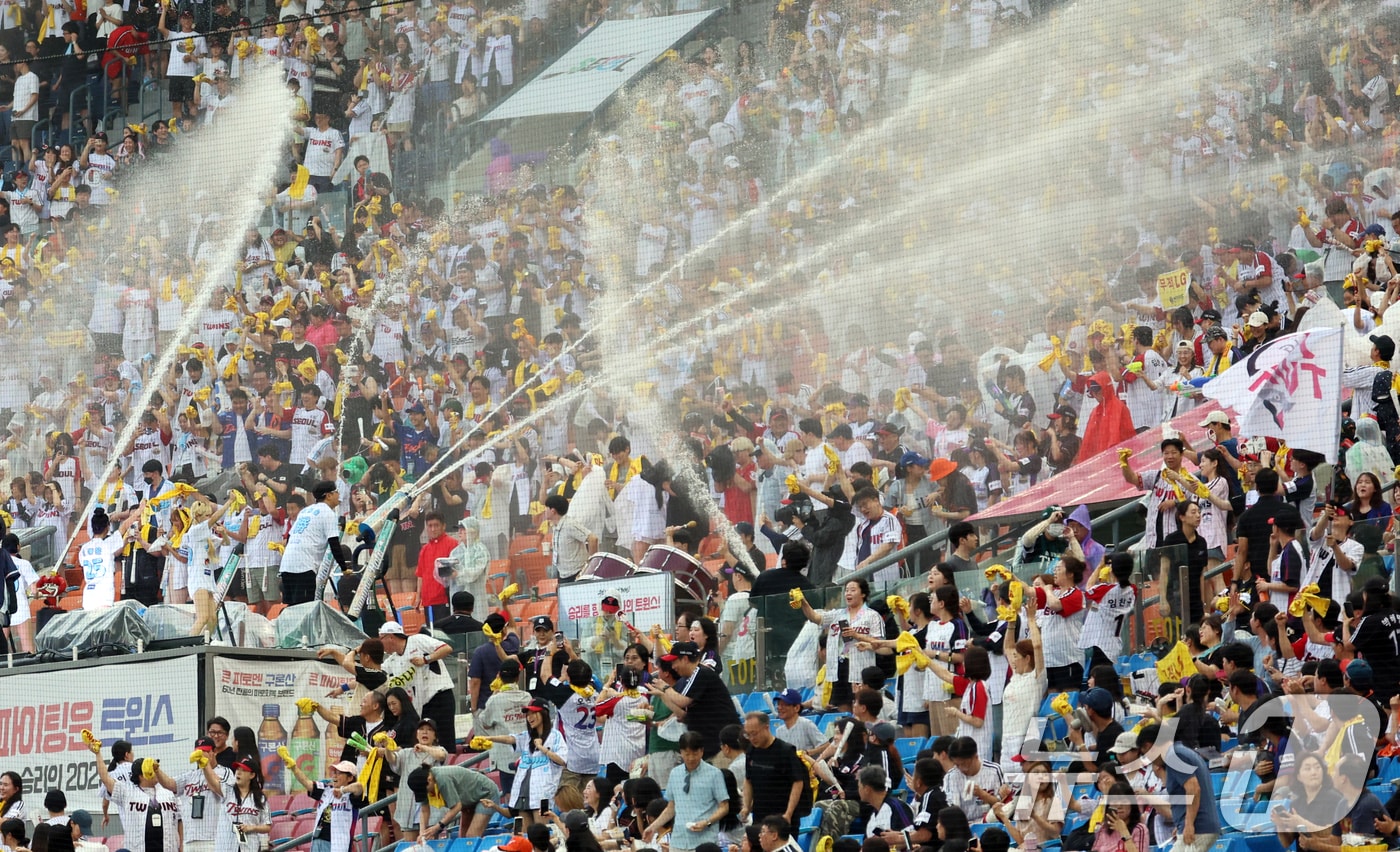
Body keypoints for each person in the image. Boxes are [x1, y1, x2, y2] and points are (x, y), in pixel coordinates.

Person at [795, 579, 886, 710]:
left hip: (861, 669)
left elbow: (880, 644)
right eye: (847, 590)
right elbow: (815, 617)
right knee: (842, 710)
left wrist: (857, 635)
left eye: (853, 590)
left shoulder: (872, 616)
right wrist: (803, 602)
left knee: (860, 708)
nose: (848, 593)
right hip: (839, 669)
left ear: (863, 594)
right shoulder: (837, 614)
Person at [650, 641, 739, 758]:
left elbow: (682, 701)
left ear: (685, 659)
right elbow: (683, 714)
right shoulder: (689, 679)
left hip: (722, 745)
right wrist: (662, 695)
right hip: (709, 744)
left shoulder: (700, 672)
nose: (673, 667)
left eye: (675, 662)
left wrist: (665, 688)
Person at [645, 732, 729, 852]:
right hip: (678, 840)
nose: (691, 758)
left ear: (702, 751)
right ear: (681, 752)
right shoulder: (675, 773)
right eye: (687, 753)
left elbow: (724, 807)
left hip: (703, 842)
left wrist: (707, 822)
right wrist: (653, 827)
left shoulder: (714, 774)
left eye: (695, 753)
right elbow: (671, 807)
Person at [378, 621, 457, 747]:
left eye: (381, 638)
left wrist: (426, 659)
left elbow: (447, 648)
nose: (380, 643)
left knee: (445, 740)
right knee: (425, 743)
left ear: (390, 637)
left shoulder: (417, 640)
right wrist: (343, 688)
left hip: (439, 697)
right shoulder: (392, 661)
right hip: (422, 706)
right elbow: (376, 674)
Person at [1139, 727, 1219, 852]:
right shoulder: (1181, 752)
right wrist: (1183, 823)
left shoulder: (1174, 756)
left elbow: (1194, 789)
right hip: (1198, 826)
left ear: (1149, 746)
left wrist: (1189, 824)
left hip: (1199, 827)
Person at [88, 743, 180, 852]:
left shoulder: (168, 790)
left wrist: (181, 845)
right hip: (137, 847)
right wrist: (98, 754)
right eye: (152, 770)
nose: (156, 773)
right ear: (141, 776)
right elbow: (105, 778)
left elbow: (180, 819)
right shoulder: (128, 792)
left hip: (168, 847)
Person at [280, 481, 350, 606]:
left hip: (287, 564)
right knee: (306, 607)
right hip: (304, 566)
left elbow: (290, 536)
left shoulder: (305, 511)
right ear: (328, 495)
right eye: (336, 492)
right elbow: (334, 543)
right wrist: (344, 568)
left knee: (292, 607)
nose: (338, 495)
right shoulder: (328, 513)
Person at [283, 754, 365, 852]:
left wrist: (342, 791)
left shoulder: (351, 796)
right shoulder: (326, 790)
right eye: (334, 772)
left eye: (339, 773)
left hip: (338, 844)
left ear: (350, 778)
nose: (334, 776)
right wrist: (294, 768)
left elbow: (359, 786)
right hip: (318, 840)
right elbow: (307, 782)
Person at [739, 712, 808, 827]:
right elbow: (748, 779)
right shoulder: (752, 751)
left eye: (754, 734)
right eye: (748, 735)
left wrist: (788, 813)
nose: (751, 738)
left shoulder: (785, 751)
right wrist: (746, 806)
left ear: (766, 728)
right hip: (760, 816)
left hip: (782, 816)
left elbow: (798, 782)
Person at [415, 763, 500, 838]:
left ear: (429, 780)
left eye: (426, 790)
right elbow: (424, 810)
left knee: (471, 837)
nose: (427, 793)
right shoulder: (422, 783)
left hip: (486, 794)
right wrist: (422, 833)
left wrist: (437, 827)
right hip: (468, 800)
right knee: (462, 838)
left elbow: (456, 807)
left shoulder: (442, 778)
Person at [545, 494, 597, 582]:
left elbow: (593, 539)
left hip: (576, 574)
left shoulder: (569, 525)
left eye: (546, 508)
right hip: (562, 574)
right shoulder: (555, 526)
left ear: (553, 511)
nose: (544, 511)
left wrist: (591, 565)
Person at [858, 766, 913, 839]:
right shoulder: (873, 815)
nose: (858, 790)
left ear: (867, 789)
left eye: (859, 786)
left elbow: (910, 840)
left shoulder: (898, 807)